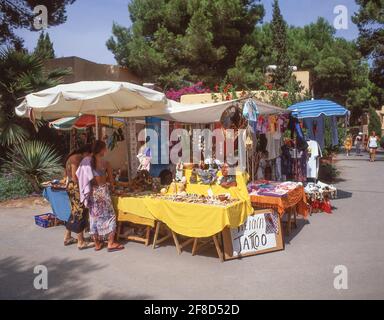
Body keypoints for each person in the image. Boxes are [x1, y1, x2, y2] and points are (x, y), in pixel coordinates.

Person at [77, 140, 124, 252]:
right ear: (102, 150)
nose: (106, 150)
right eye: (105, 148)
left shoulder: (86, 161)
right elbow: (112, 183)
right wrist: (114, 188)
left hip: (93, 192)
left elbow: (81, 175)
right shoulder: (106, 163)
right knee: (111, 216)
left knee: (94, 217)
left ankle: (97, 244)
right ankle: (111, 243)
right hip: (103, 192)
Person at [64, 144, 94, 250]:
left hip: (70, 186)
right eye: (89, 154)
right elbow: (75, 177)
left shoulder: (71, 157)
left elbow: (67, 175)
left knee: (74, 211)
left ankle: (67, 237)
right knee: (80, 212)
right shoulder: (77, 158)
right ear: (86, 152)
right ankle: (80, 241)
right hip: (76, 187)